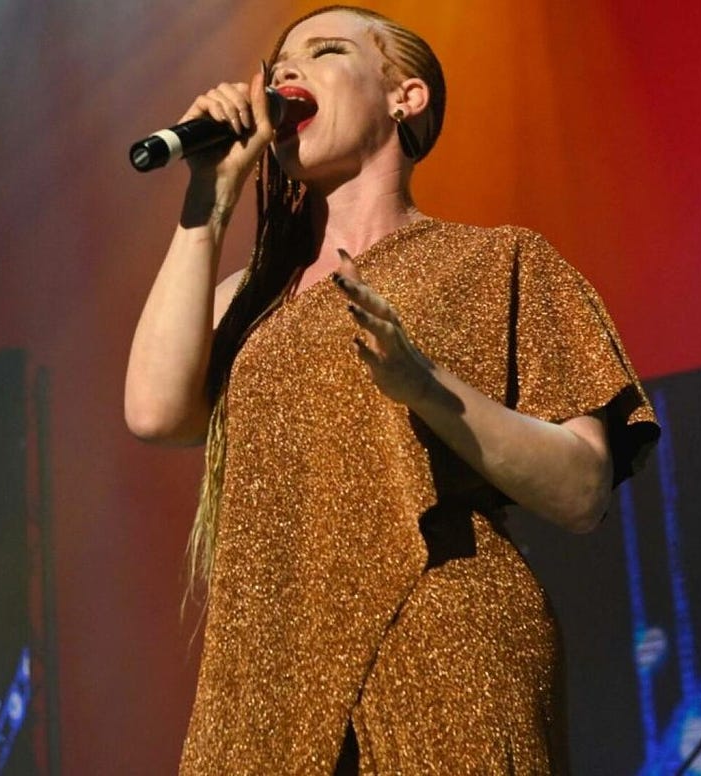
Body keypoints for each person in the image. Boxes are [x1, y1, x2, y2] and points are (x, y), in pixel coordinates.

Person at [124, 6, 660, 774]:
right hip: (265, 684)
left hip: (445, 648)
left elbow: (582, 488)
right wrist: (208, 196)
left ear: (404, 99)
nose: (283, 73)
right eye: (278, 61)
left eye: (327, 50)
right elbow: (153, 410)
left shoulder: (499, 261)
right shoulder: (250, 300)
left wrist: (426, 386)